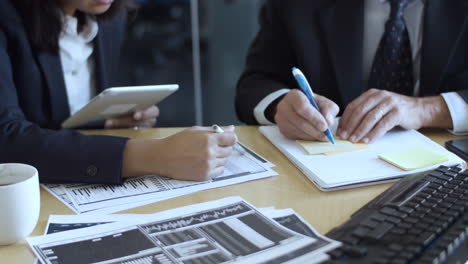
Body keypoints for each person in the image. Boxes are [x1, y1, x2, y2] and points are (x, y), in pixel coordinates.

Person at [0, 0, 237, 184]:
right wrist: (153, 155)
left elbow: (55, 122)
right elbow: (7, 139)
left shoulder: (109, 18)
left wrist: (107, 121)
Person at [236, 0, 468, 144]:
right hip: (329, 169)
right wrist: (281, 105)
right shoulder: (296, 5)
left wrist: (427, 110)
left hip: (446, 173)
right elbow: (255, 83)